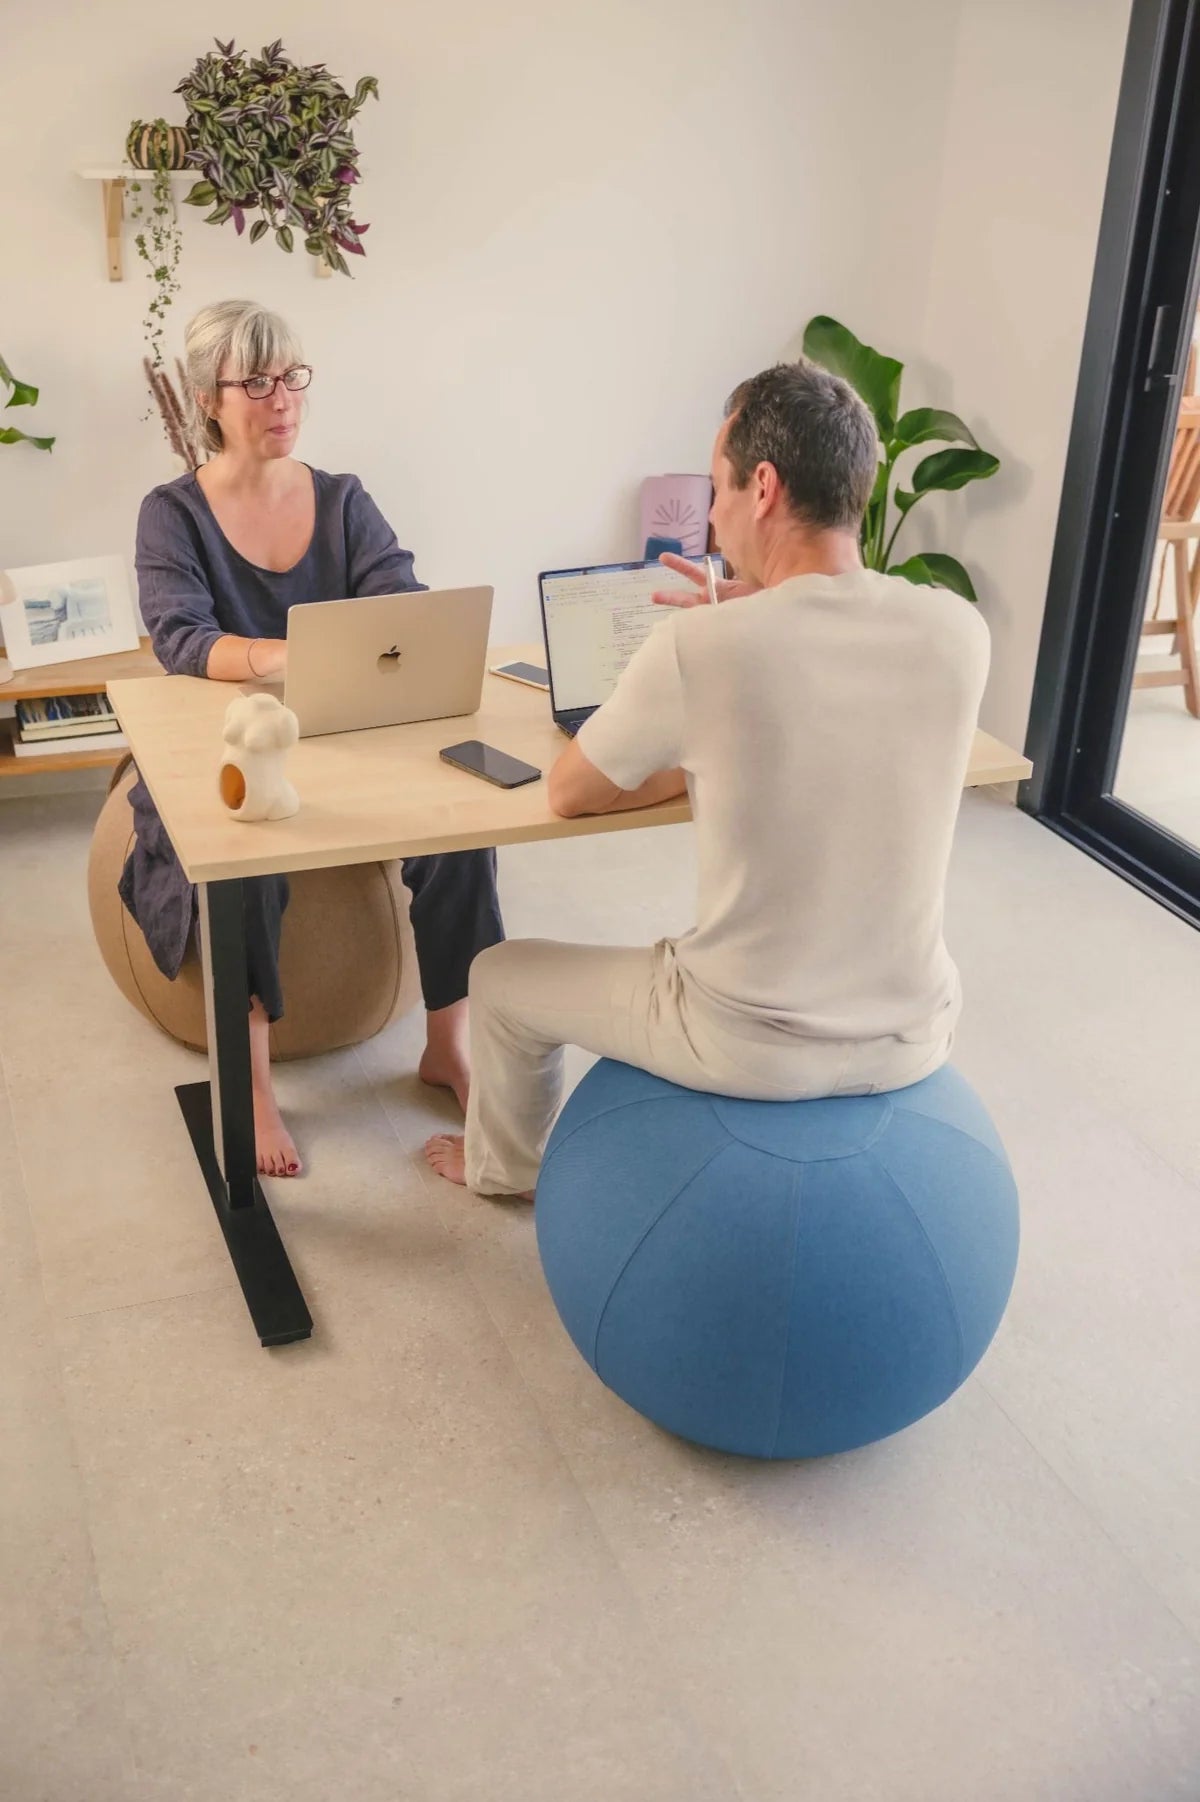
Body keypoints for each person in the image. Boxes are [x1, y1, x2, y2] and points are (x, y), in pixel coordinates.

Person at [425, 357, 990, 1199]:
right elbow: (832, 720)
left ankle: (505, 1174)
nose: (714, 513)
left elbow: (572, 792)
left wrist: (700, 703)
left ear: (762, 487)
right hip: (916, 1030)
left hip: (748, 1039)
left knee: (502, 975)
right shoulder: (956, 629)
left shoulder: (703, 648)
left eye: (719, 488)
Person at [121, 299, 504, 1178]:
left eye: (292, 377)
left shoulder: (342, 499)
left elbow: (398, 595)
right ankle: (252, 1078)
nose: (281, 399)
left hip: (346, 731)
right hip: (234, 743)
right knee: (245, 847)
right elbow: (179, 637)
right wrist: (278, 657)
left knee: (465, 824)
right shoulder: (171, 514)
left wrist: (393, 636)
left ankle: (450, 1043)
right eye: (255, 381)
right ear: (210, 399)